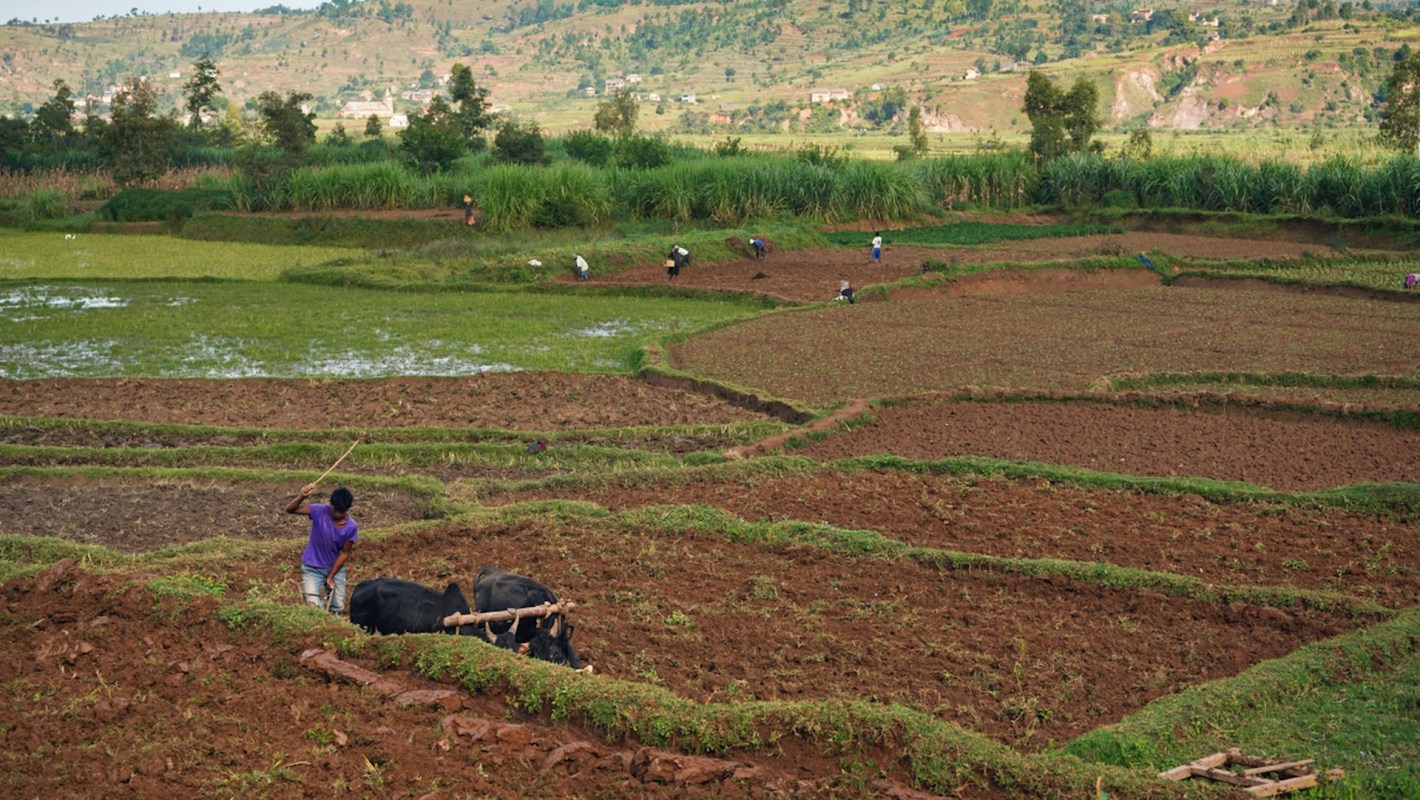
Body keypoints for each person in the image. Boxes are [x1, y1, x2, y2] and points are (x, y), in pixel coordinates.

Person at [287, 485, 358, 615]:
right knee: (313, 606)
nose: (336, 514)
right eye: (335, 510)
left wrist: (331, 576)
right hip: (312, 568)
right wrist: (302, 495)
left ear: (347, 510)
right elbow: (290, 509)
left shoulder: (351, 527)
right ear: (331, 505)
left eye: (340, 512)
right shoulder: (319, 511)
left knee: (337, 607)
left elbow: (344, 553)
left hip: (335, 570)